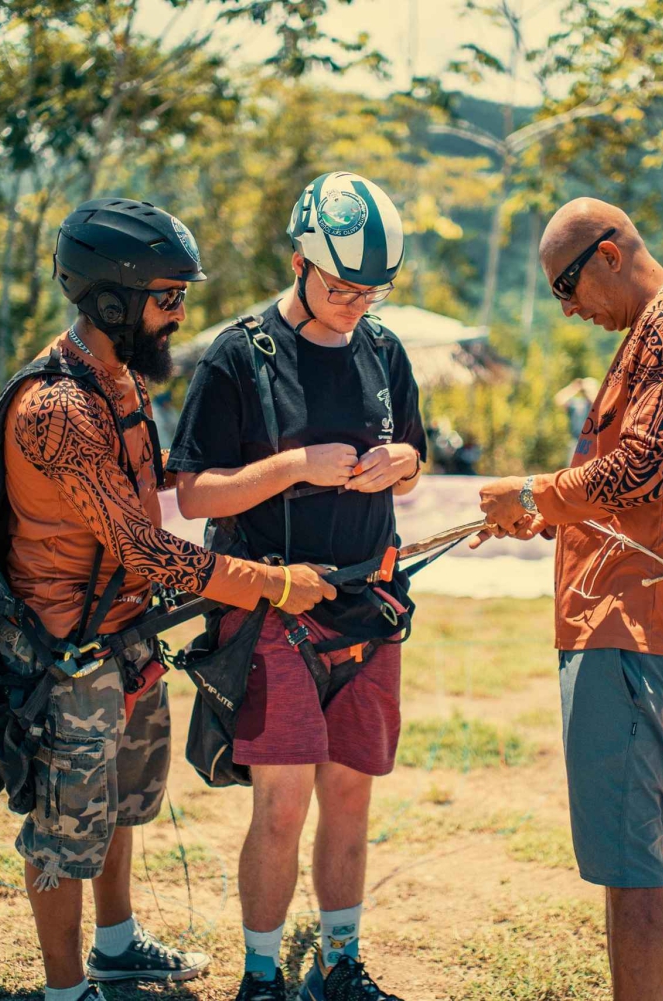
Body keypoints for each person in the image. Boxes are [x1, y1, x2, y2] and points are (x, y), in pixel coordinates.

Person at [6, 197, 336, 1001]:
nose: (179, 313)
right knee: (64, 829)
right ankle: (64, 987)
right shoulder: (58, 407)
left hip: (126, 638)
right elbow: (143, 544)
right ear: (111, 300)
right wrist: (270, 583)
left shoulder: (119, 385)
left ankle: (114, 947)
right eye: (167, 296)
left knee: (120, 804)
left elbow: (158, 494)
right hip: (65, 653)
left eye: (182, 295)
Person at [167, 171, 426, 1001]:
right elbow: (194, 494)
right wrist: (291, 468)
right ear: (299, 261)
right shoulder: (240, 355)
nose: (357, 304)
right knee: (281, 803)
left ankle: (342, 965)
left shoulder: (384, 350)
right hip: (274, 609)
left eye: (372, 290)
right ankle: (262, 975)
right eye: (343, 286)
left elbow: (415, 457)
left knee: (349, 795)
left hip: (369, 608)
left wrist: (403, 463)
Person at [477, 197, 663, 1001]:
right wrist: (545, 513)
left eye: (567, 286)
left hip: (632, 630)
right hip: (649, 628)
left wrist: (533, 488)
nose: (568, 309)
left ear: (609, 252)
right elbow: (629, 492)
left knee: (634, 871)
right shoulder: (658, 330)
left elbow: (638, 470)